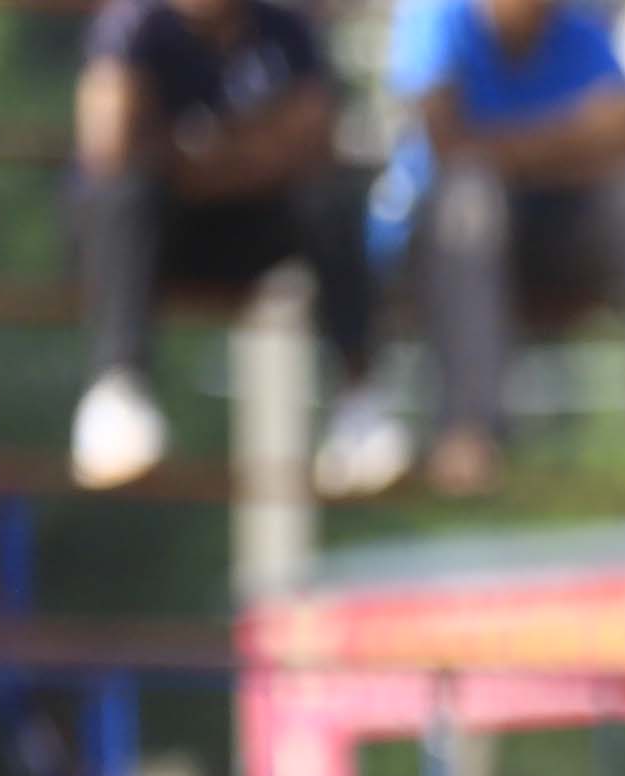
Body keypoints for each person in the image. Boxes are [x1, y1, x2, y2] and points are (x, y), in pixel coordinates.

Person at [68, 0, 410, 498]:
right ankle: (116, 394)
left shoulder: (284, 25)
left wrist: (192, 157)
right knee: (124, 195)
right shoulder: (131, 25)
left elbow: (317, 139)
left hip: (245, 230)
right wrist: (255, 147)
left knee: (330, 198)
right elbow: (109, 148)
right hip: (155, 240)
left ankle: (360, 406)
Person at [383, 0, 625, 500]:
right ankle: (467, 432)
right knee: (471, 197)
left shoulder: (579, 31)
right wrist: (578, 137)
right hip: (446, 248)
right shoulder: (435, 19)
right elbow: (450, 145)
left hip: (558, 241)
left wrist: (509, 152)